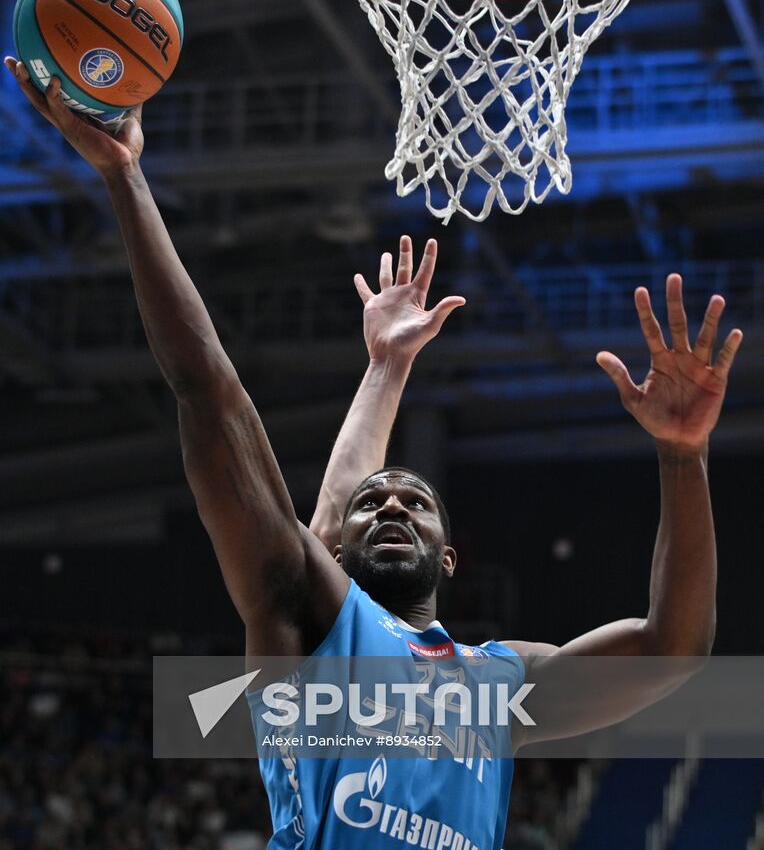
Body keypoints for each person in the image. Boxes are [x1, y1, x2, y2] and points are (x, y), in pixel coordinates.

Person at [5, 59, 744, 850]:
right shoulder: (305, 622)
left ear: (450, 557)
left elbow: (672, 649)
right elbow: (209, 393)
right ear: (336, 550)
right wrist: (126, 179)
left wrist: (682, 456)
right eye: (375, 504)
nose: (392, 503)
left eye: (415, 502)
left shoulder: (497, 686)